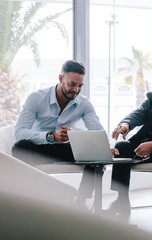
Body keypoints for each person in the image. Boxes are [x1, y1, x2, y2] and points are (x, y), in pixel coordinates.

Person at [74, 64, 152, 216]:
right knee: (121, 147)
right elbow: (137, 114)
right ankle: (122, 201)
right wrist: (125, 124)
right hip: (145, 148)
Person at [12, 60, 105, 209]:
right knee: (20, 146)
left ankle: (82, 201)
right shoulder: (36, 98)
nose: (75, 90)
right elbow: (18, 133)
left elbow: (97, 132)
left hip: (63, 149)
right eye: (72, 84)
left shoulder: (84, 104)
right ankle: (29, 200)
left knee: (97, 155)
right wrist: (51, 136)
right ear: (61, 79)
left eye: (80, 86)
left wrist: (104, 148)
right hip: (38, 148)